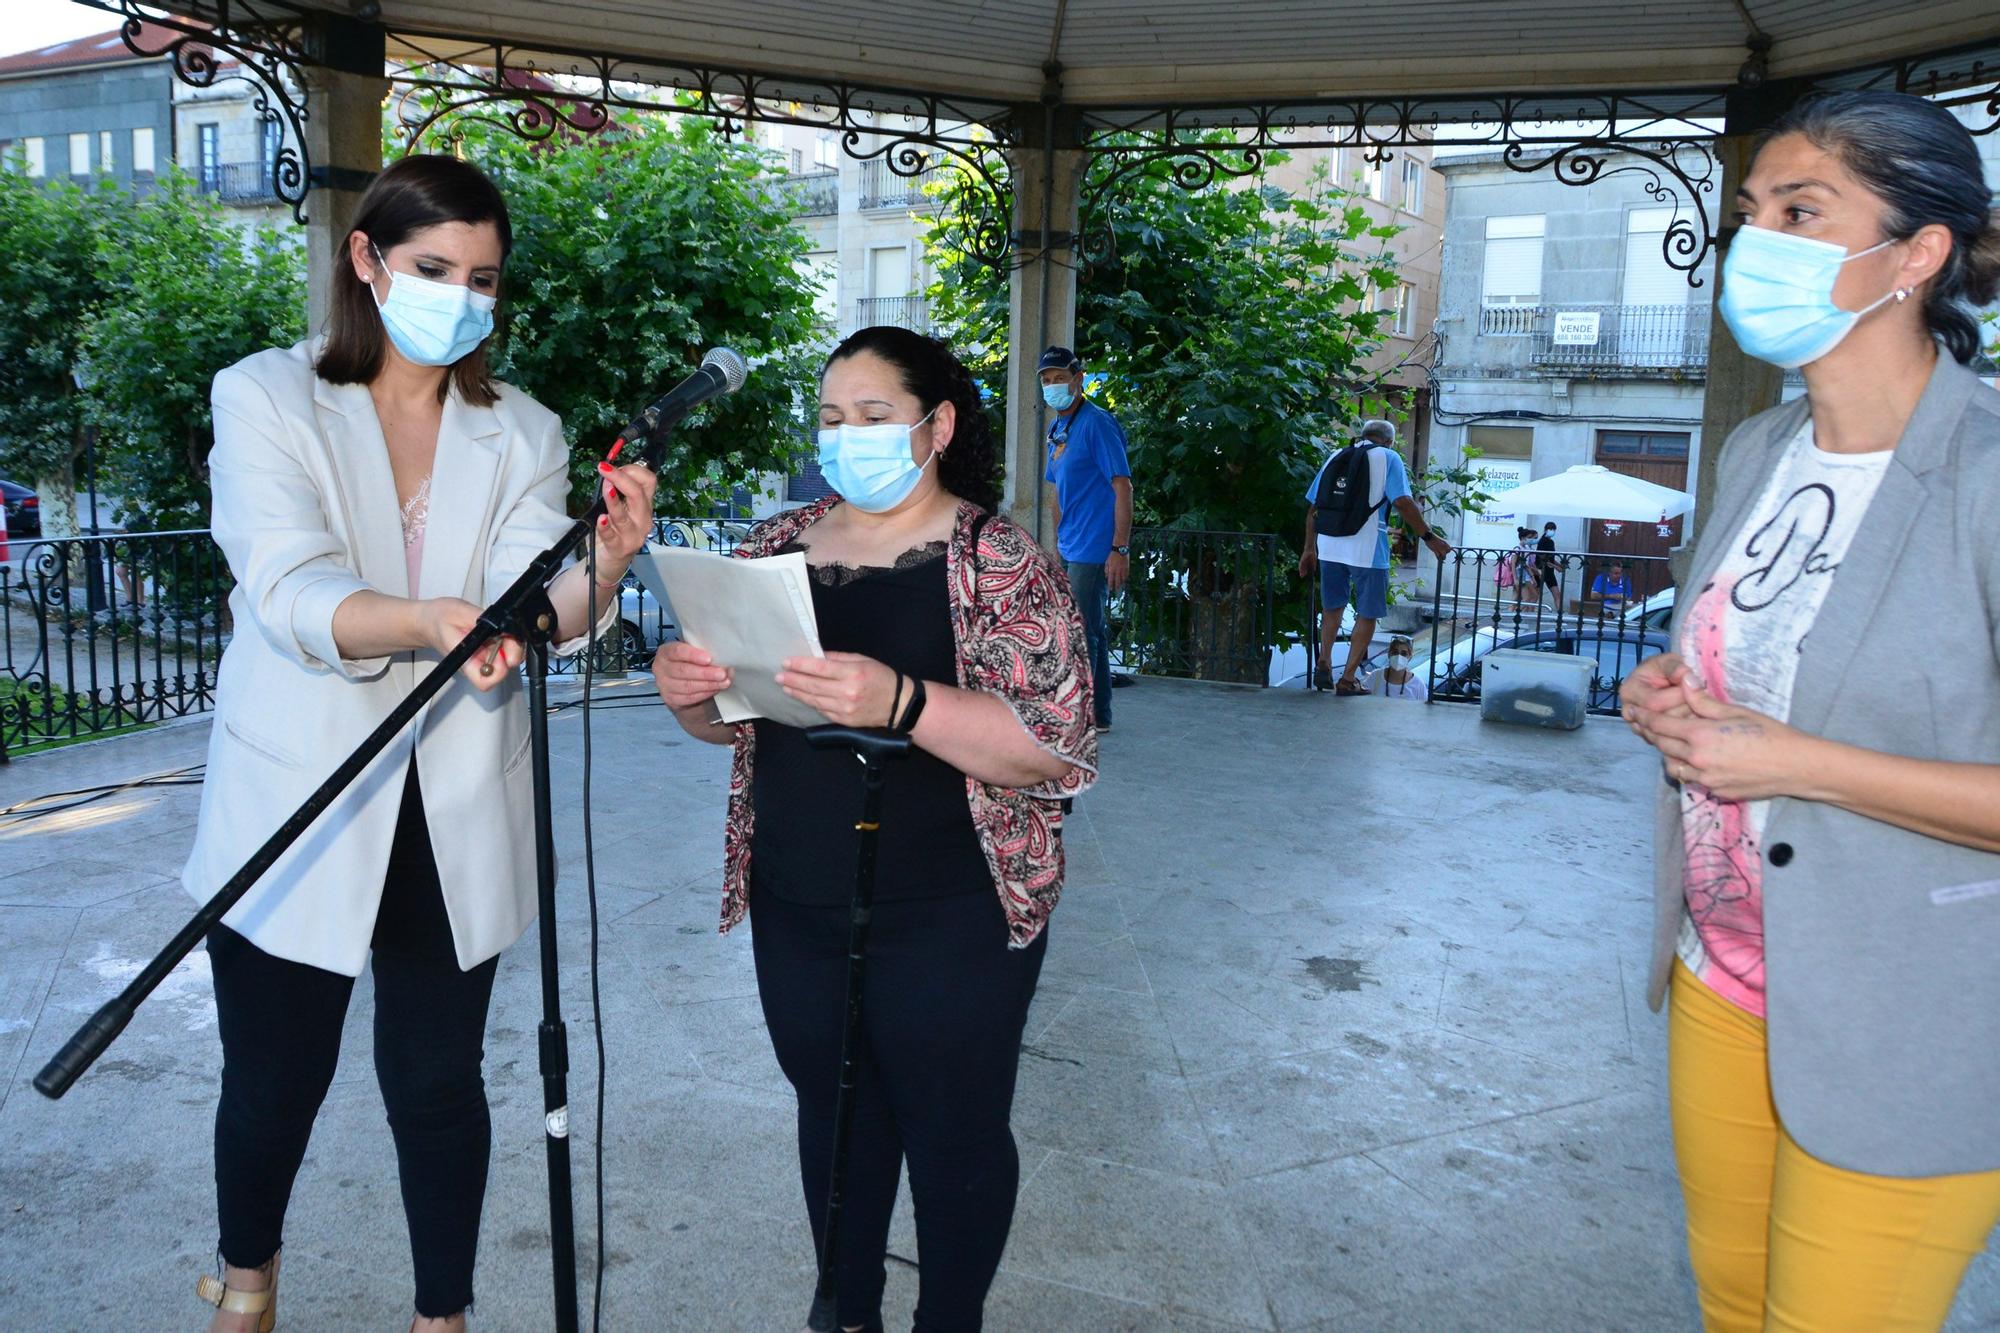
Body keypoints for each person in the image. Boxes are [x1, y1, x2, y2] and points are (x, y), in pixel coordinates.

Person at [182, 155, 658, 1333]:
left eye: (483, 278)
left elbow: (530, 600)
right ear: (365, 259)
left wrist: (597, 565)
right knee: (273, 1083)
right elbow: (287, 585)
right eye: (433, 268)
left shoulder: (524, 431)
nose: (459, 296)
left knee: (439, 1086)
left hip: (453, 806)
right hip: (300, 799)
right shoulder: (263, 396)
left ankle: (441, 1314)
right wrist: (434, 623)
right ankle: (248, 1283)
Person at [1620, 90, 2000, 1332]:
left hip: (1906, 1014)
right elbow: (1742, 680)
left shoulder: (1987, 472)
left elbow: (1796, 748)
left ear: (1919, 251)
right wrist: (1668, 702)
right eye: (1749, 213)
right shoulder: (1756, 449)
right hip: (1721, 977)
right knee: (1733, 1307)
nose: (1756, 244)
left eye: (1800, 211)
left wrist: (1798, 762)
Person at [651, 326, 1096, 1333]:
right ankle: (843, 1313)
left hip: (954, 906)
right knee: (835, 1114)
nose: (845, 437)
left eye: (873, 417)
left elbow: (1052, 749)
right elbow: (731, 723)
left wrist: (900, 699)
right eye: (831, 418)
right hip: (797, 896)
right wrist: (686, 693)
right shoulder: (770, 550)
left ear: (934, 426)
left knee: (953, 1131)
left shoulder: (999, 560)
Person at [1297, 420, 1450, 695]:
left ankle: (1324, 660)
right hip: (1367, 548)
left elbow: (1313, 508)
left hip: (1329, 544)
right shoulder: (1389, 458)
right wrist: (1429, 538)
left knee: (1333, 607)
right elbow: (1403, 502)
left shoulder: (1336, 455)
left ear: (1364, 436)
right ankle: (1347, 679)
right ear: (1389, 441)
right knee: (1367, 613)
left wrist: (1309, 549)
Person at [1039, 344, 1130, 731]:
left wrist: (1119, 548)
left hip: (1095, 546)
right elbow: (1057, 489)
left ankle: (1081, 715)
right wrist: (1057, 542)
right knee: (1092, 629)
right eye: (1046, 380)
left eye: (1060, 378)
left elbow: (1122, 485)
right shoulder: (1058, 427)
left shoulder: (1097, 423)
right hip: (1071, 544)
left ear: (1078, 379)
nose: (1053, 386)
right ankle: (1100, 714)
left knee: (1078, 631)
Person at [1363, 634, 1428, 700]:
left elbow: (1424, 709)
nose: (1399, 656)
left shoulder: (1418, 684)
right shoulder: (1376, 676)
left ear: (1410, 657)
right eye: (1395, 652)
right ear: (1389, 654)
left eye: (1404, 653)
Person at [1534, 520, 1561, 605]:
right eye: (1550, 529)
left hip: (1549, 572)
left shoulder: (1551, 542)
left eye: (1553, 529)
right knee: (1535, 596)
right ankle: (1527, 613)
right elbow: (1542, 557)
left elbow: (1550, 557)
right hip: (1541, 570)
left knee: (1557, 594)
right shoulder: (1542, 541)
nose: (1552, 531)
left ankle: (1559, 615)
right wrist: (1555, 566)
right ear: (1545, 529)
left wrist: (1558, 564)